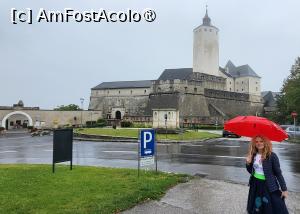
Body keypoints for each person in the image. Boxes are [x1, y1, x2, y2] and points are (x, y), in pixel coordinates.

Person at [246, 135, 289, 214]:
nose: (259, 143)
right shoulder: (253, 155)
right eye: (256, 141)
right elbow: (250, 171)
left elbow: (278, 174)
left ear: (266, 142)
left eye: (261, 141)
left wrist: (284, 189)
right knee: (257, 205)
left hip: (268, 186)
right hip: (255, 184)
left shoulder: (272, 156)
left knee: (269, 206)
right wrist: (248, 163)